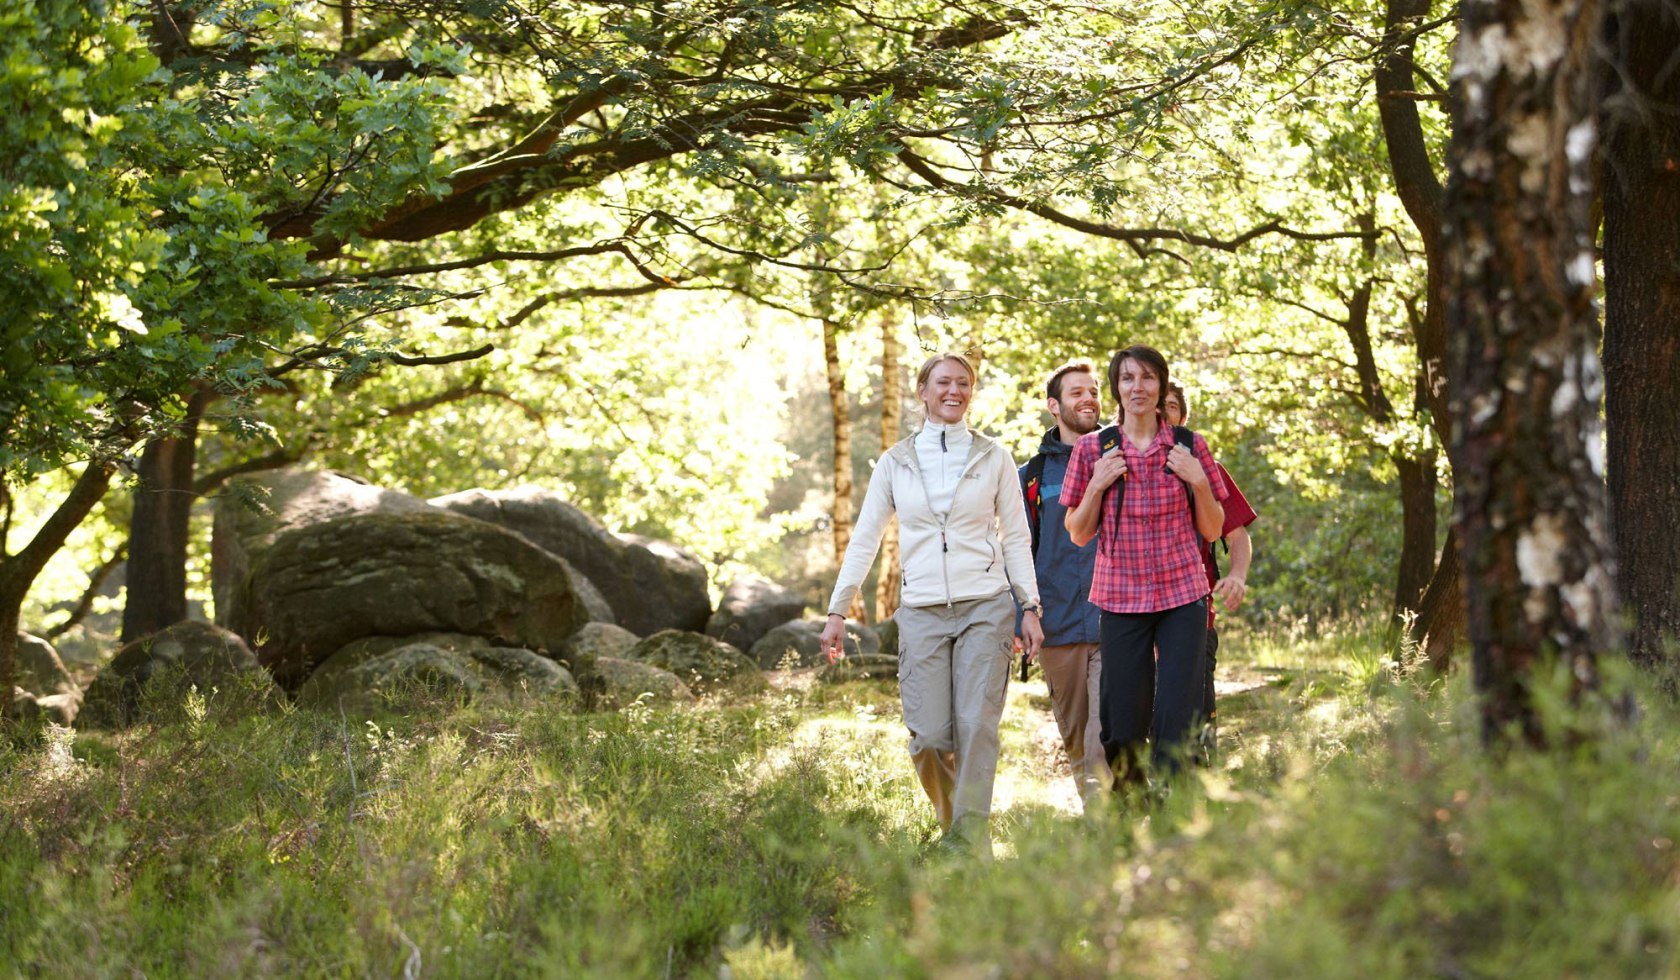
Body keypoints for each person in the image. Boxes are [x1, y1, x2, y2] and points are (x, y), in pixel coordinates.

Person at [820, 352, 1044, 855]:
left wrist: (1028, 605)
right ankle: (955, 828)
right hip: (921, 610)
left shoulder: (994, 457)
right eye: (943, 382)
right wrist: (838, 611)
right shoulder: (896, 462)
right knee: (927, 738)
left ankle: (967, 842)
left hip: (986, 605)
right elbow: (865, 539)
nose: (954, 391)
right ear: (922, 391)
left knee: (976, 725)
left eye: (963, 383)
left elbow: (1015, 539)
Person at [1061, 345, 1227, 787]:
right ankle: (1131, 807)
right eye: (1129, 378)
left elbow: (1212, 530)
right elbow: (1078, 532)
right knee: (1123, 721)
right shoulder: (1092, 448)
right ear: (1116, 387)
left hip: (1183, 596)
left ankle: (1175, 815)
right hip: (1120, 597)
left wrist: (1198, 481)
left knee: (1178, 713)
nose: (1139, 387)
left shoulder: (1191, 447)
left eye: (1148, 378)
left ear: (1161, 386)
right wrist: (1097, 485)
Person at [1017, 361, 1112, 802]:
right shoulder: (1031, 477)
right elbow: (1017, 552)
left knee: (1106, 735)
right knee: (1076, 738)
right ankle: (1104, 828)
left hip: (1118, 620)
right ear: (1054, 405)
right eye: (1076, 392)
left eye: (1093, 390)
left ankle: (1114, 830)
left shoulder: (1124, 455)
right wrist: (1023, 613)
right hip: (1058, 628)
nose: (1089, 398)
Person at [1163, 383, 1256, 765]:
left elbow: (1237, 537)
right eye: (1157, 405)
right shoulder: (1119, 467)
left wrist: (1237, 575)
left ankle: (1201, 801)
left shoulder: (1207, 469)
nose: (1163, 413)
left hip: (1195, 615)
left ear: (1183, 418)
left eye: (1171, 407)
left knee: (1198, 721)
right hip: (1133, 614)